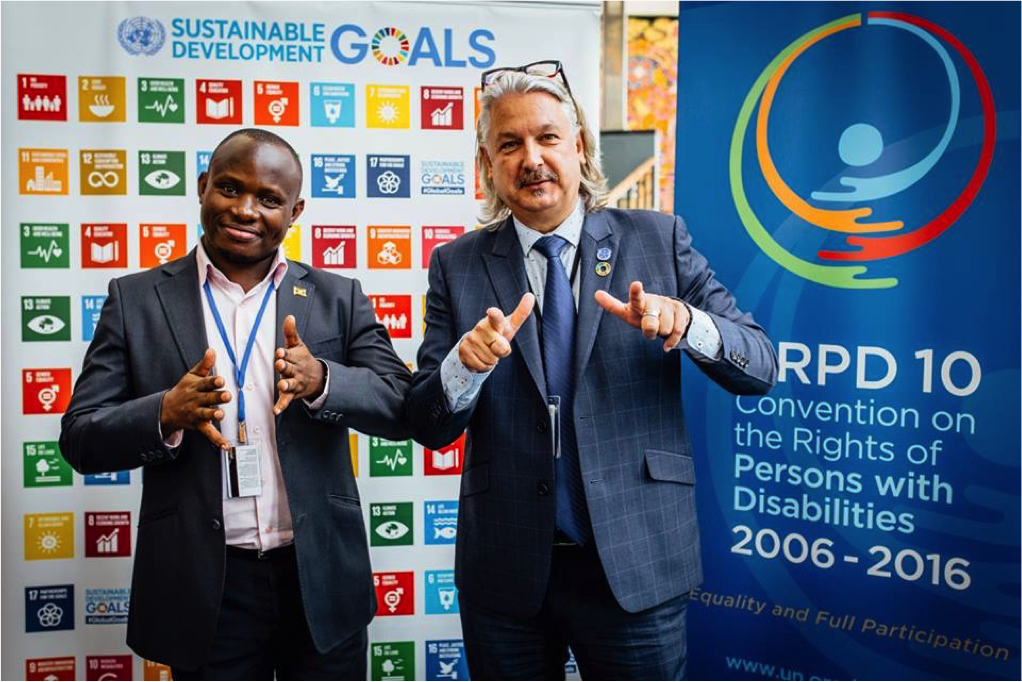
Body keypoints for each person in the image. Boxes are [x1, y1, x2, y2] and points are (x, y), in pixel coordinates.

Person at [405, 62, 777, 680]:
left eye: (548, 137)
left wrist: (688, 323)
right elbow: (426, 421)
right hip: (506, 570)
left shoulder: (659, 240)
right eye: (509, 143)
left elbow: (759, 364)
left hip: (635, 558)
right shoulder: (456, 265)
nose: (532, 158)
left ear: (578, 147)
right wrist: (460, 372)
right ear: (488, 165)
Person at [60, 128, 411, 680]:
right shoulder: (136, 299)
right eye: (229, 188)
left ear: (294, 212)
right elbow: (80, 437)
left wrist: (324, 380)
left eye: (269, 199)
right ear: (203, 187)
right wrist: (164, 414)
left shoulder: (337, 296)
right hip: (205, 588)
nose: (246, 210)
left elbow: (400, 405)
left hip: (318, 577)